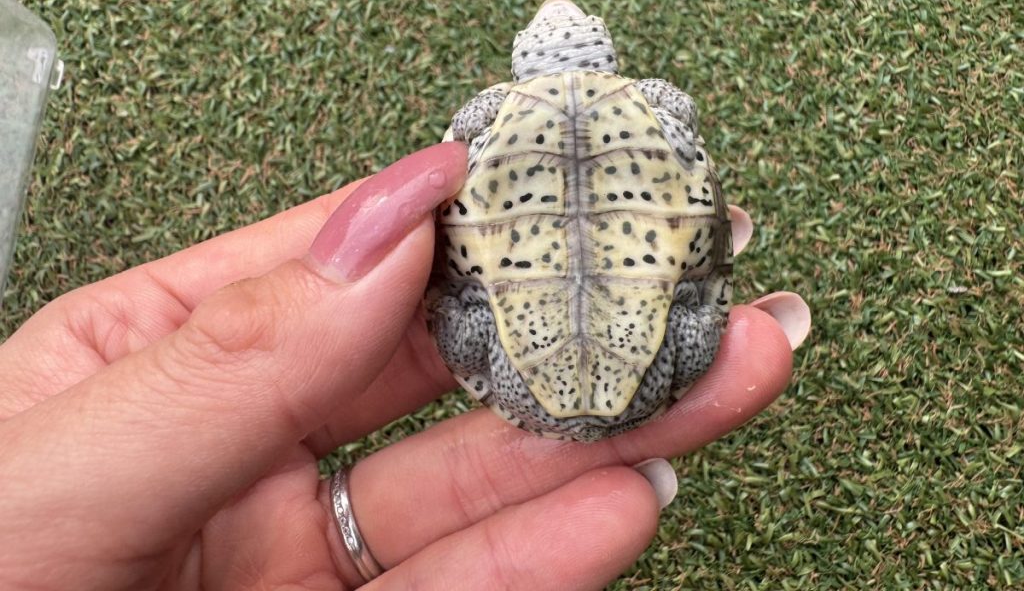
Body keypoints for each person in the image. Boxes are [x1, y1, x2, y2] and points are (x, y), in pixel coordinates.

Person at [0, 142, 809, 590]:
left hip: (539, 339)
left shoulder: (501, 121)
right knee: (691, 324)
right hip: (630, 321)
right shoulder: (651, 117)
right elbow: (688, 173)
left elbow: (469, 156)